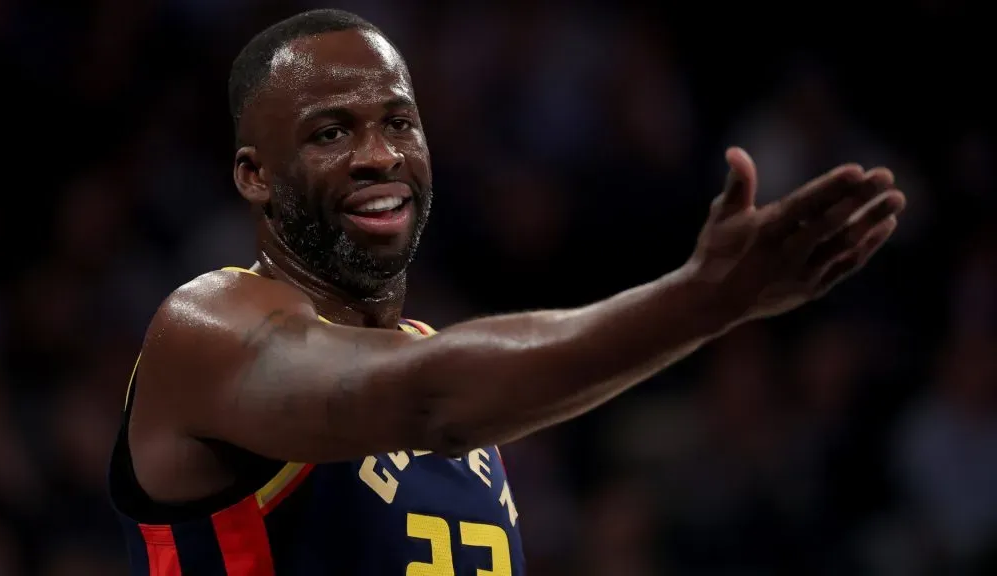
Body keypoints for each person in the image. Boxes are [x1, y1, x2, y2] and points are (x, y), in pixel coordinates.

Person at [106, 8, 906, 576]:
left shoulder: (453, 380)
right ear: (254, 176)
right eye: (330, 132)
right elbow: (430, 401)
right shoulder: (206, 328)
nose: (380, 154)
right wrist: (703, 301)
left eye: (400, 122)